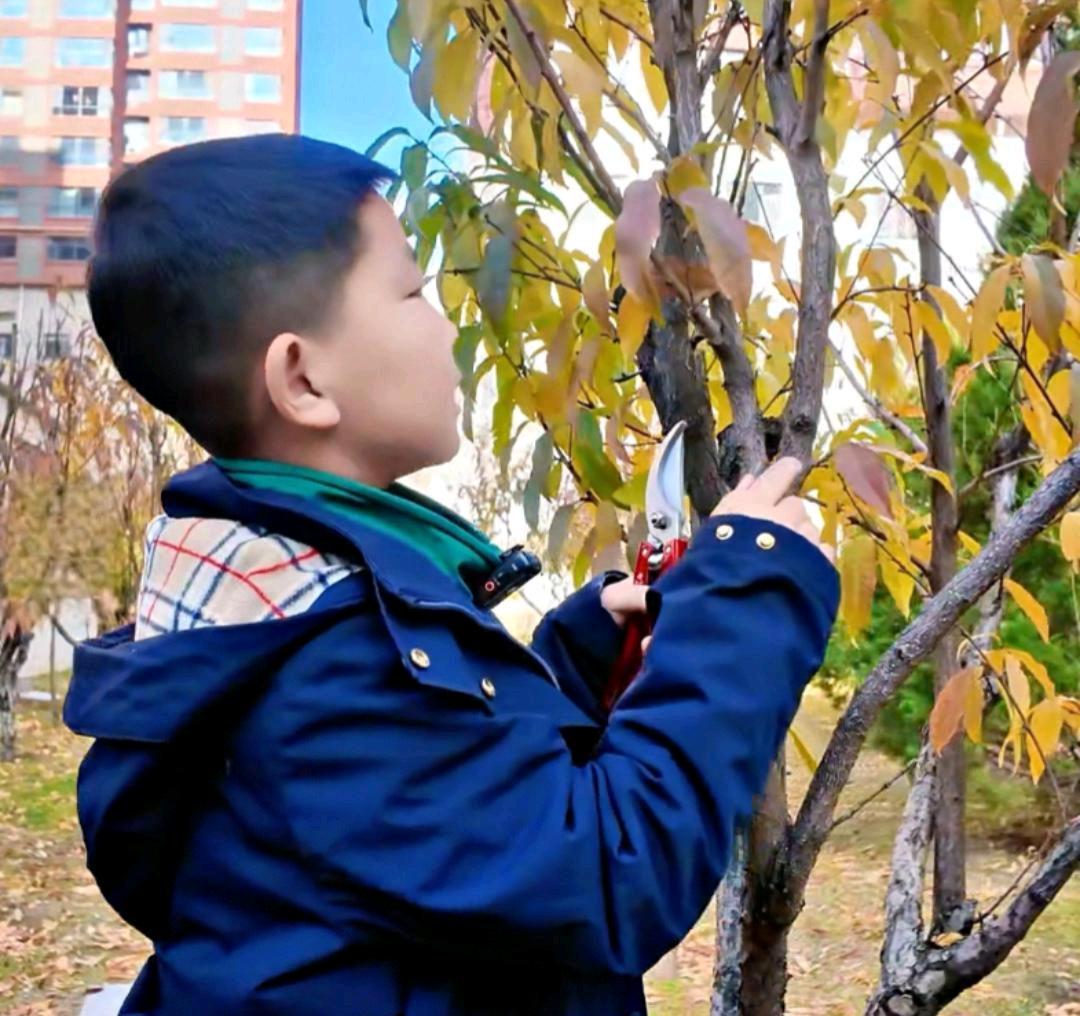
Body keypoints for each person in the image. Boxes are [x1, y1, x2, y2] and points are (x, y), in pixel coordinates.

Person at [63, 134, 839, 1016]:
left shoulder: (287, 610)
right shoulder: (324, 673)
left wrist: (579, 659)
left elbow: (457, 805)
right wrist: (744, 601)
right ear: (302, 379)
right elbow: (604, 874)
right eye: (411, 292)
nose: (445, 325)